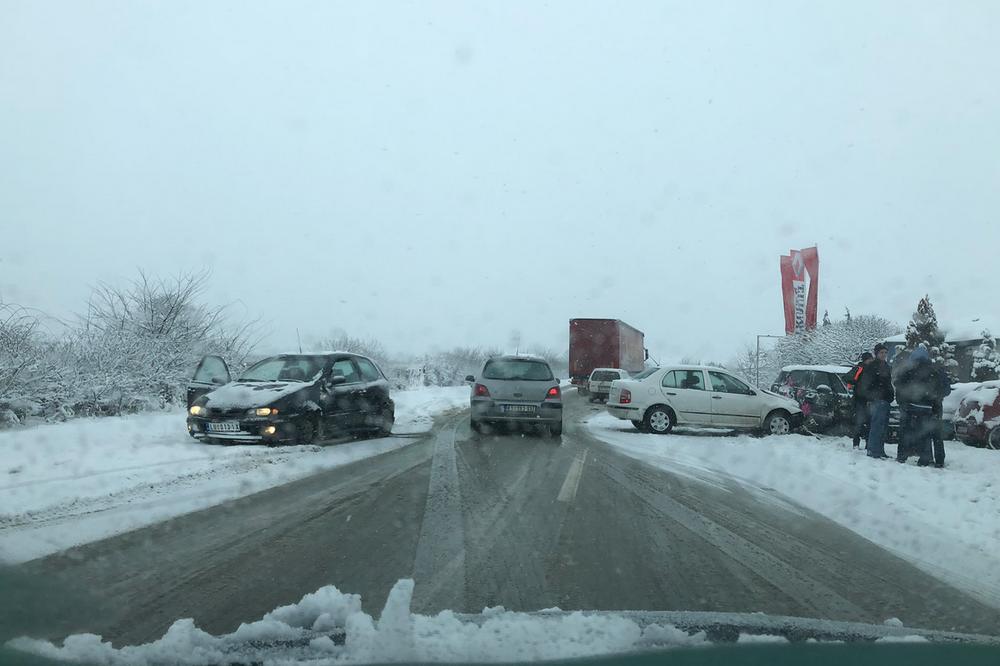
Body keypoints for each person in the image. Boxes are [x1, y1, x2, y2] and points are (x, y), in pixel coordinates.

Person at [893, 346, 939, 466]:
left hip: (910, 406)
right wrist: (935, 406)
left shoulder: (909, 370)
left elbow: (898, 383)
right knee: (924, 433)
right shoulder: (932, 371)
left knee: (905, 432)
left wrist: (902, 401)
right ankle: (924, 458)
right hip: (927, 407)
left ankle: (902, 456)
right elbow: (937, 390)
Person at [859, 343, 894, 459]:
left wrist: (890, 395)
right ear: (876, 354)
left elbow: (888, 383)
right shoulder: (872, 366)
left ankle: (880, 450)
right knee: (876, 426)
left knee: (883, 427)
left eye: (885, 352)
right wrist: (870, 398)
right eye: (881, 353)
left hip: (886, 399)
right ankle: (873, 450)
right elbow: (866, 384)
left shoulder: (886, 366)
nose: (884, 355)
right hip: (876, 400)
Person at [848, 352, 873, 449]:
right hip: (863, 400)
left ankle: (856, 443)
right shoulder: (864, 369)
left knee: (859, 422)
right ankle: (866, 443)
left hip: (859, 399)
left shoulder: (859, 368)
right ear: (867, 360)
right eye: (870, 359)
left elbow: (851, 381)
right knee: (866, 423)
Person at [931, 365, 952, 468]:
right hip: (937, 405)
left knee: (925, 433)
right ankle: (939, 459)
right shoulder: (940, 372)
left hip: (926, 405)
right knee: (937, 434)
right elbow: (947, 390)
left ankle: (926, 457)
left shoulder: (925, 371)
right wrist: (939, 396)